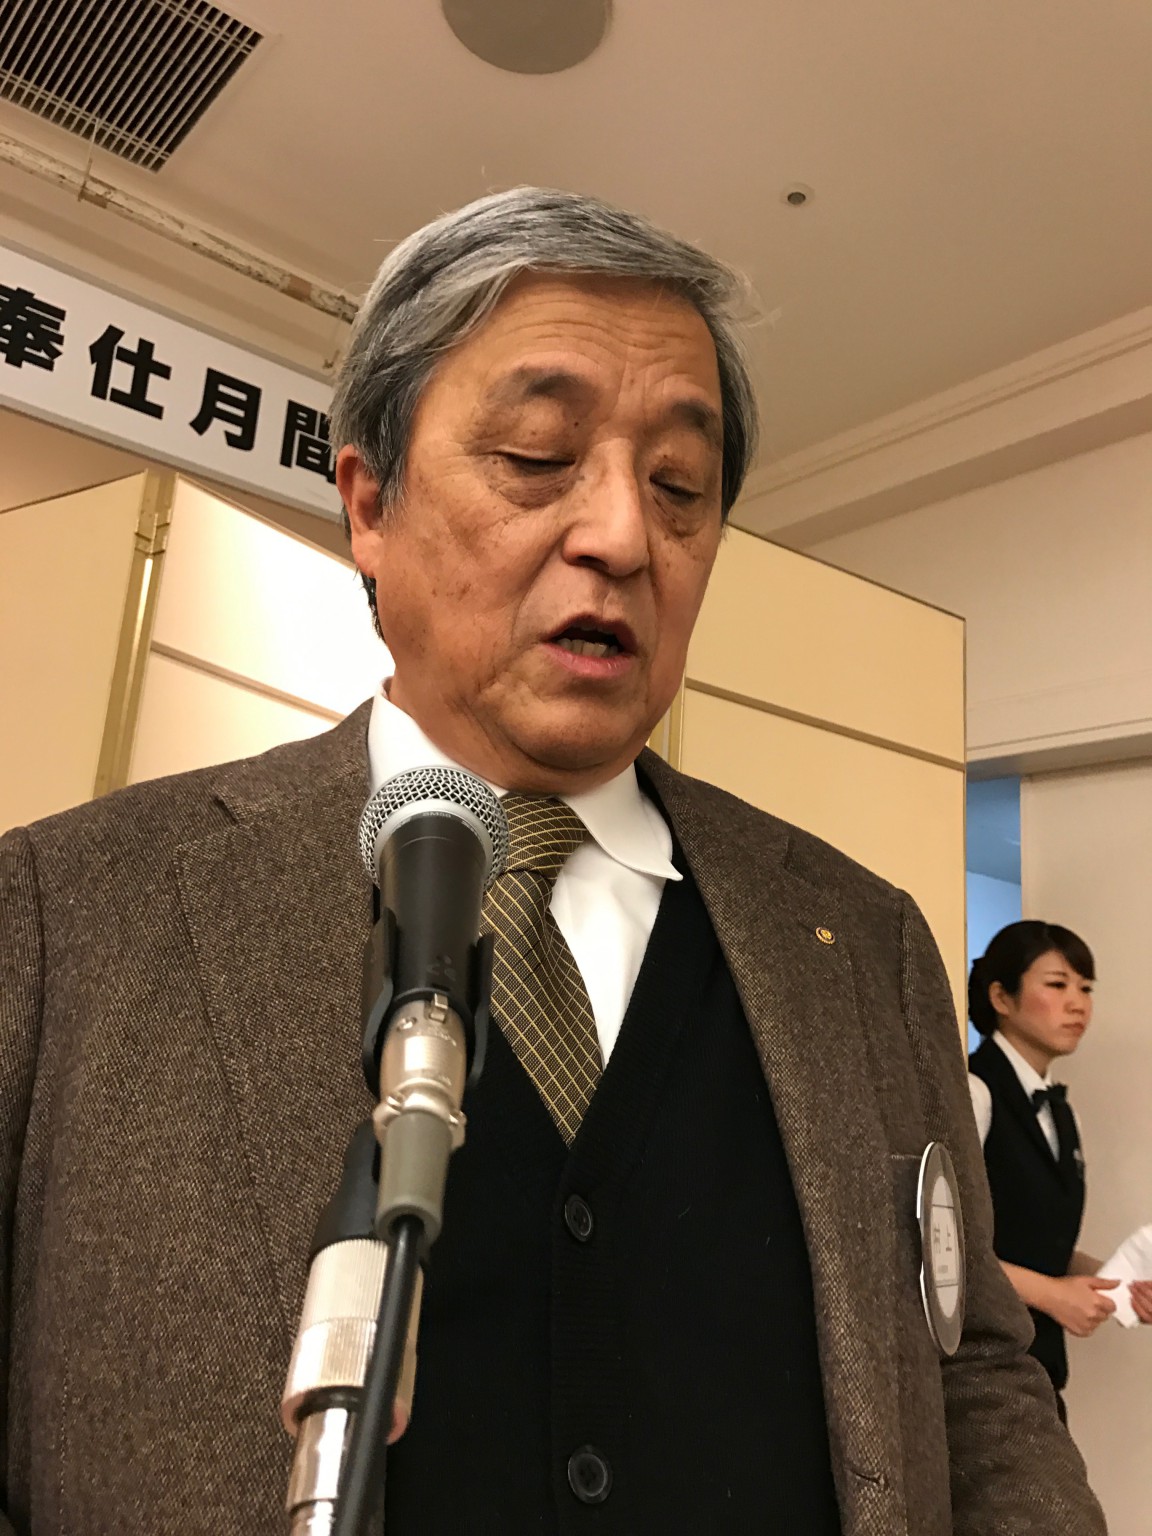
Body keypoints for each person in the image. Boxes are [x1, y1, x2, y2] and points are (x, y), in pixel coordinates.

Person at [0, 188, 1104, 1534]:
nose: (624, 537)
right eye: (536, 456)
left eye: (680, 487)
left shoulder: (861, 939)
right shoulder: (65, 918)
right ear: (369, 504)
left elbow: (976, 1376)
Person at [968, 919, 1149, 1421]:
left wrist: (1119, 1283)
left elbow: (1028, 1238)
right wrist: (1051, 1295)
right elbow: (942, 1246)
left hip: (1038, 1371)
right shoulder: (974, 1092)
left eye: (1086, 988)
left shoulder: (1061, 1113)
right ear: (1001, 998)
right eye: (1057, 984)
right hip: (979, 1372)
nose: (1078, 1004)